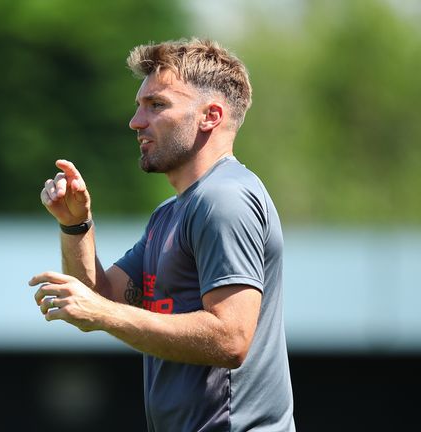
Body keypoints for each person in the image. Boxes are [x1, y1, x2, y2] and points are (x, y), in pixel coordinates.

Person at [29, 38, 295, 431]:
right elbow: (98, 299)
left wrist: (102, 312)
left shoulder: (224, 199)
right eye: (139, 106)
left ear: (211, 116)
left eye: (156, 105)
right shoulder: (171, 214)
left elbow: (231, 338)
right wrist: (76, 225)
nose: (136, 121)